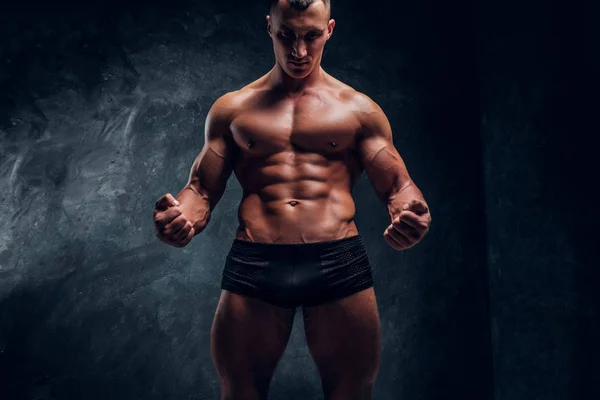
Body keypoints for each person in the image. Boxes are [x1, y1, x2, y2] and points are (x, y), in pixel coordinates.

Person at [153, 0, 432, 398]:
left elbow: (398, 186)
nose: (298, 51)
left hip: (337, 261)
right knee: (240, 392)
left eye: (311, 36)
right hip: (256, 262)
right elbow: (201, 190)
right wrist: (182, 218)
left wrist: (410, 212)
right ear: (269, 27)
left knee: (352, 393)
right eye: (287, 35)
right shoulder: (233, 110)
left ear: (330, 29)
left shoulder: (359, 110)